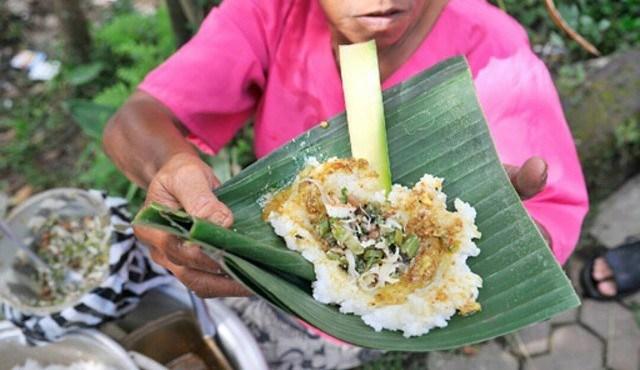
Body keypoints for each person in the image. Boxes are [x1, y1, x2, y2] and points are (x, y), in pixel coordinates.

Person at [103, 0, 589, 367]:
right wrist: (170, 168)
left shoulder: (496, 53)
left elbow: (548, 214)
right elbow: (135, 120)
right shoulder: (273, 11)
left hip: (370, 319)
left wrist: (510, 245)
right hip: (273, 269)